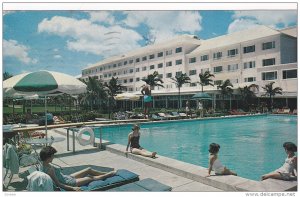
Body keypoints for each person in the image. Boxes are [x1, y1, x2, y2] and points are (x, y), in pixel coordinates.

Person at [40, 146, 116, 191]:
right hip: (68, 182)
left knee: (88, 169)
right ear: (48, 157)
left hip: (66, 177)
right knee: (90, 178)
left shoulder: (42, 164)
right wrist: (73, 188)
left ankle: (105, 173)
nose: (54, 157)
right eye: (53, 155)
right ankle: (108, 175)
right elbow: (59, 184)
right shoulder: (50, 170)